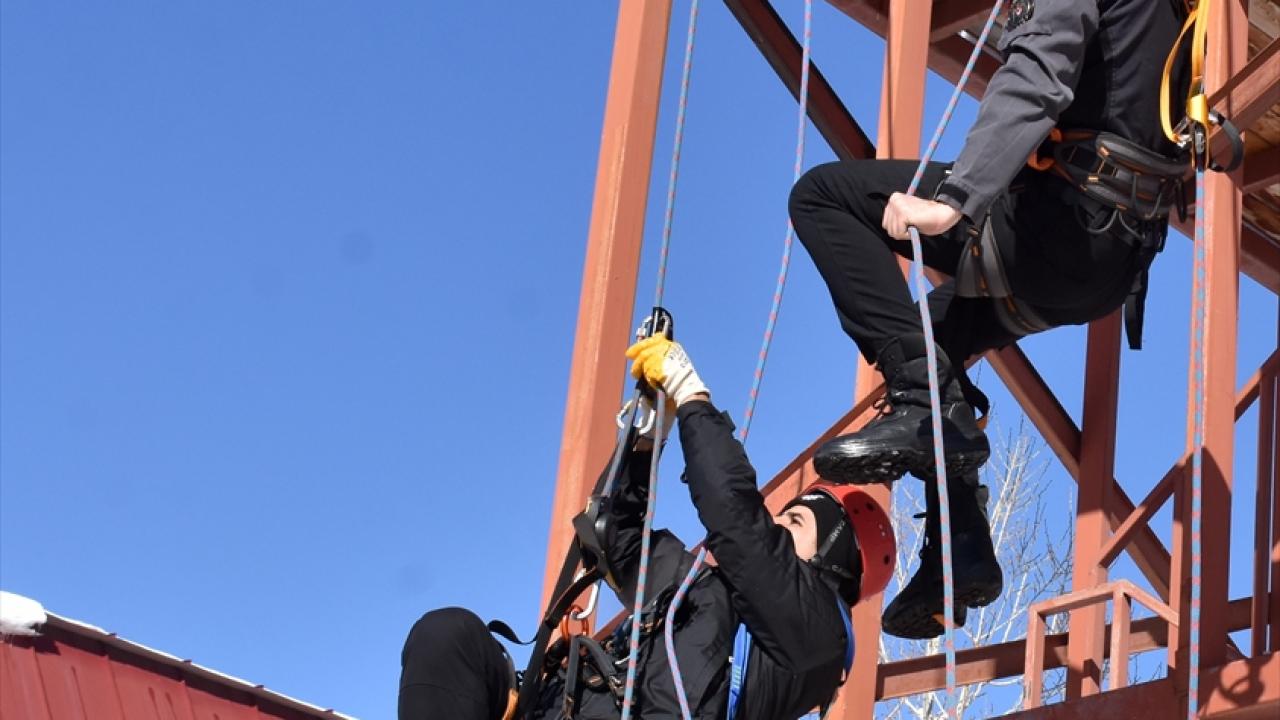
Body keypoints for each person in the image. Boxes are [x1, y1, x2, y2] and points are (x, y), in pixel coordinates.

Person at [788, 0, 1191, 639]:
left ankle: (921, 407)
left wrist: (955, 199)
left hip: (1064, 222)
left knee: (821, 197)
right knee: (931, 341)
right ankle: (961, 547)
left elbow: (1040, 67)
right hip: (1112, 261)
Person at [398, 334, 896, 720]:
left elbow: (734, 518)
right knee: (450, 636)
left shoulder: (819, 637)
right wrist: (645, 438)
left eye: (795, 520)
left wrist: (692, 397)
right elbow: (615, 538)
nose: (776, 522)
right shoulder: (700, 594)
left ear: (835, 560)